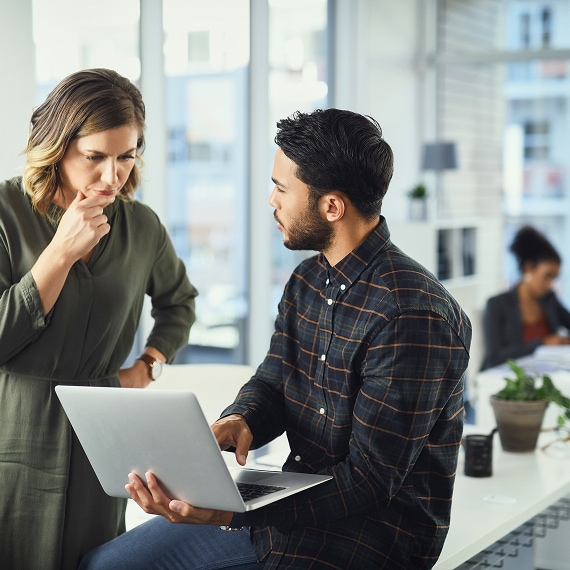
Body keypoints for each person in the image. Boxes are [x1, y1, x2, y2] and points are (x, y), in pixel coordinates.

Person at [79, 109, 472, 570]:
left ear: (331, 207)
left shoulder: (411, 315)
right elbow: (274, 380)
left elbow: (368, 481)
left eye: (282, 189)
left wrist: (231, 511)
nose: (271, 200)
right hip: (283, 516)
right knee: (105, 566)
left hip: (369, 537)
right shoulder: (307, 281)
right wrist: (240, 420)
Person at [0, 68, 198, 570]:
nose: (114, 176)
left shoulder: (141, 226)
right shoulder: (5, 214)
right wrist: (59, 255)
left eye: (126, 156)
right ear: (57, 146)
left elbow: (179, 302)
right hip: (13, 429)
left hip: (102, 436)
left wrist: (149, 365)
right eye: (96, 157)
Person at [481, 225, 570, 371]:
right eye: (547, 276)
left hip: (545, 375)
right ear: (528, 268)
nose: (550, 284)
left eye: (554, 278)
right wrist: (543, 343)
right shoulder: (497, 305)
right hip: (508, 378)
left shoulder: (549, 299)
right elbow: (495, 357)